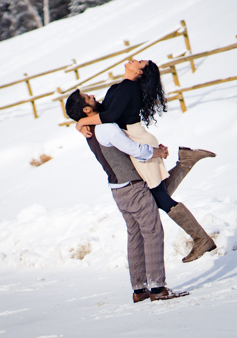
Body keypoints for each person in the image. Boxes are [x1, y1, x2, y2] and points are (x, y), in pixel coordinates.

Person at [72, 59, 216, 262]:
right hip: (134, 140)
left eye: (139, 62)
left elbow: (110, 116)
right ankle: (186, 161)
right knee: (156, 196)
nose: (134, 59)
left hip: (137, 141)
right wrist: (81, 123)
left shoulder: (129, 87)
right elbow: (103, 112)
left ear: (139, 73)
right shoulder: (117, 87)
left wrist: (82, 122)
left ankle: (201, 238)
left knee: (158, 198)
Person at [65, 89, 189, 303]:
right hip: (132, 187)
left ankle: (139, 289)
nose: (94, 95)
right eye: (89, 97)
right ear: (87, 109)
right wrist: (157, 152)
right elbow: (133, 149)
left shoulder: (90, 129)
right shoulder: (105, 128)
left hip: (117, 189)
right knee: (153, 232)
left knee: (136, 236)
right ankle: (157, 288)